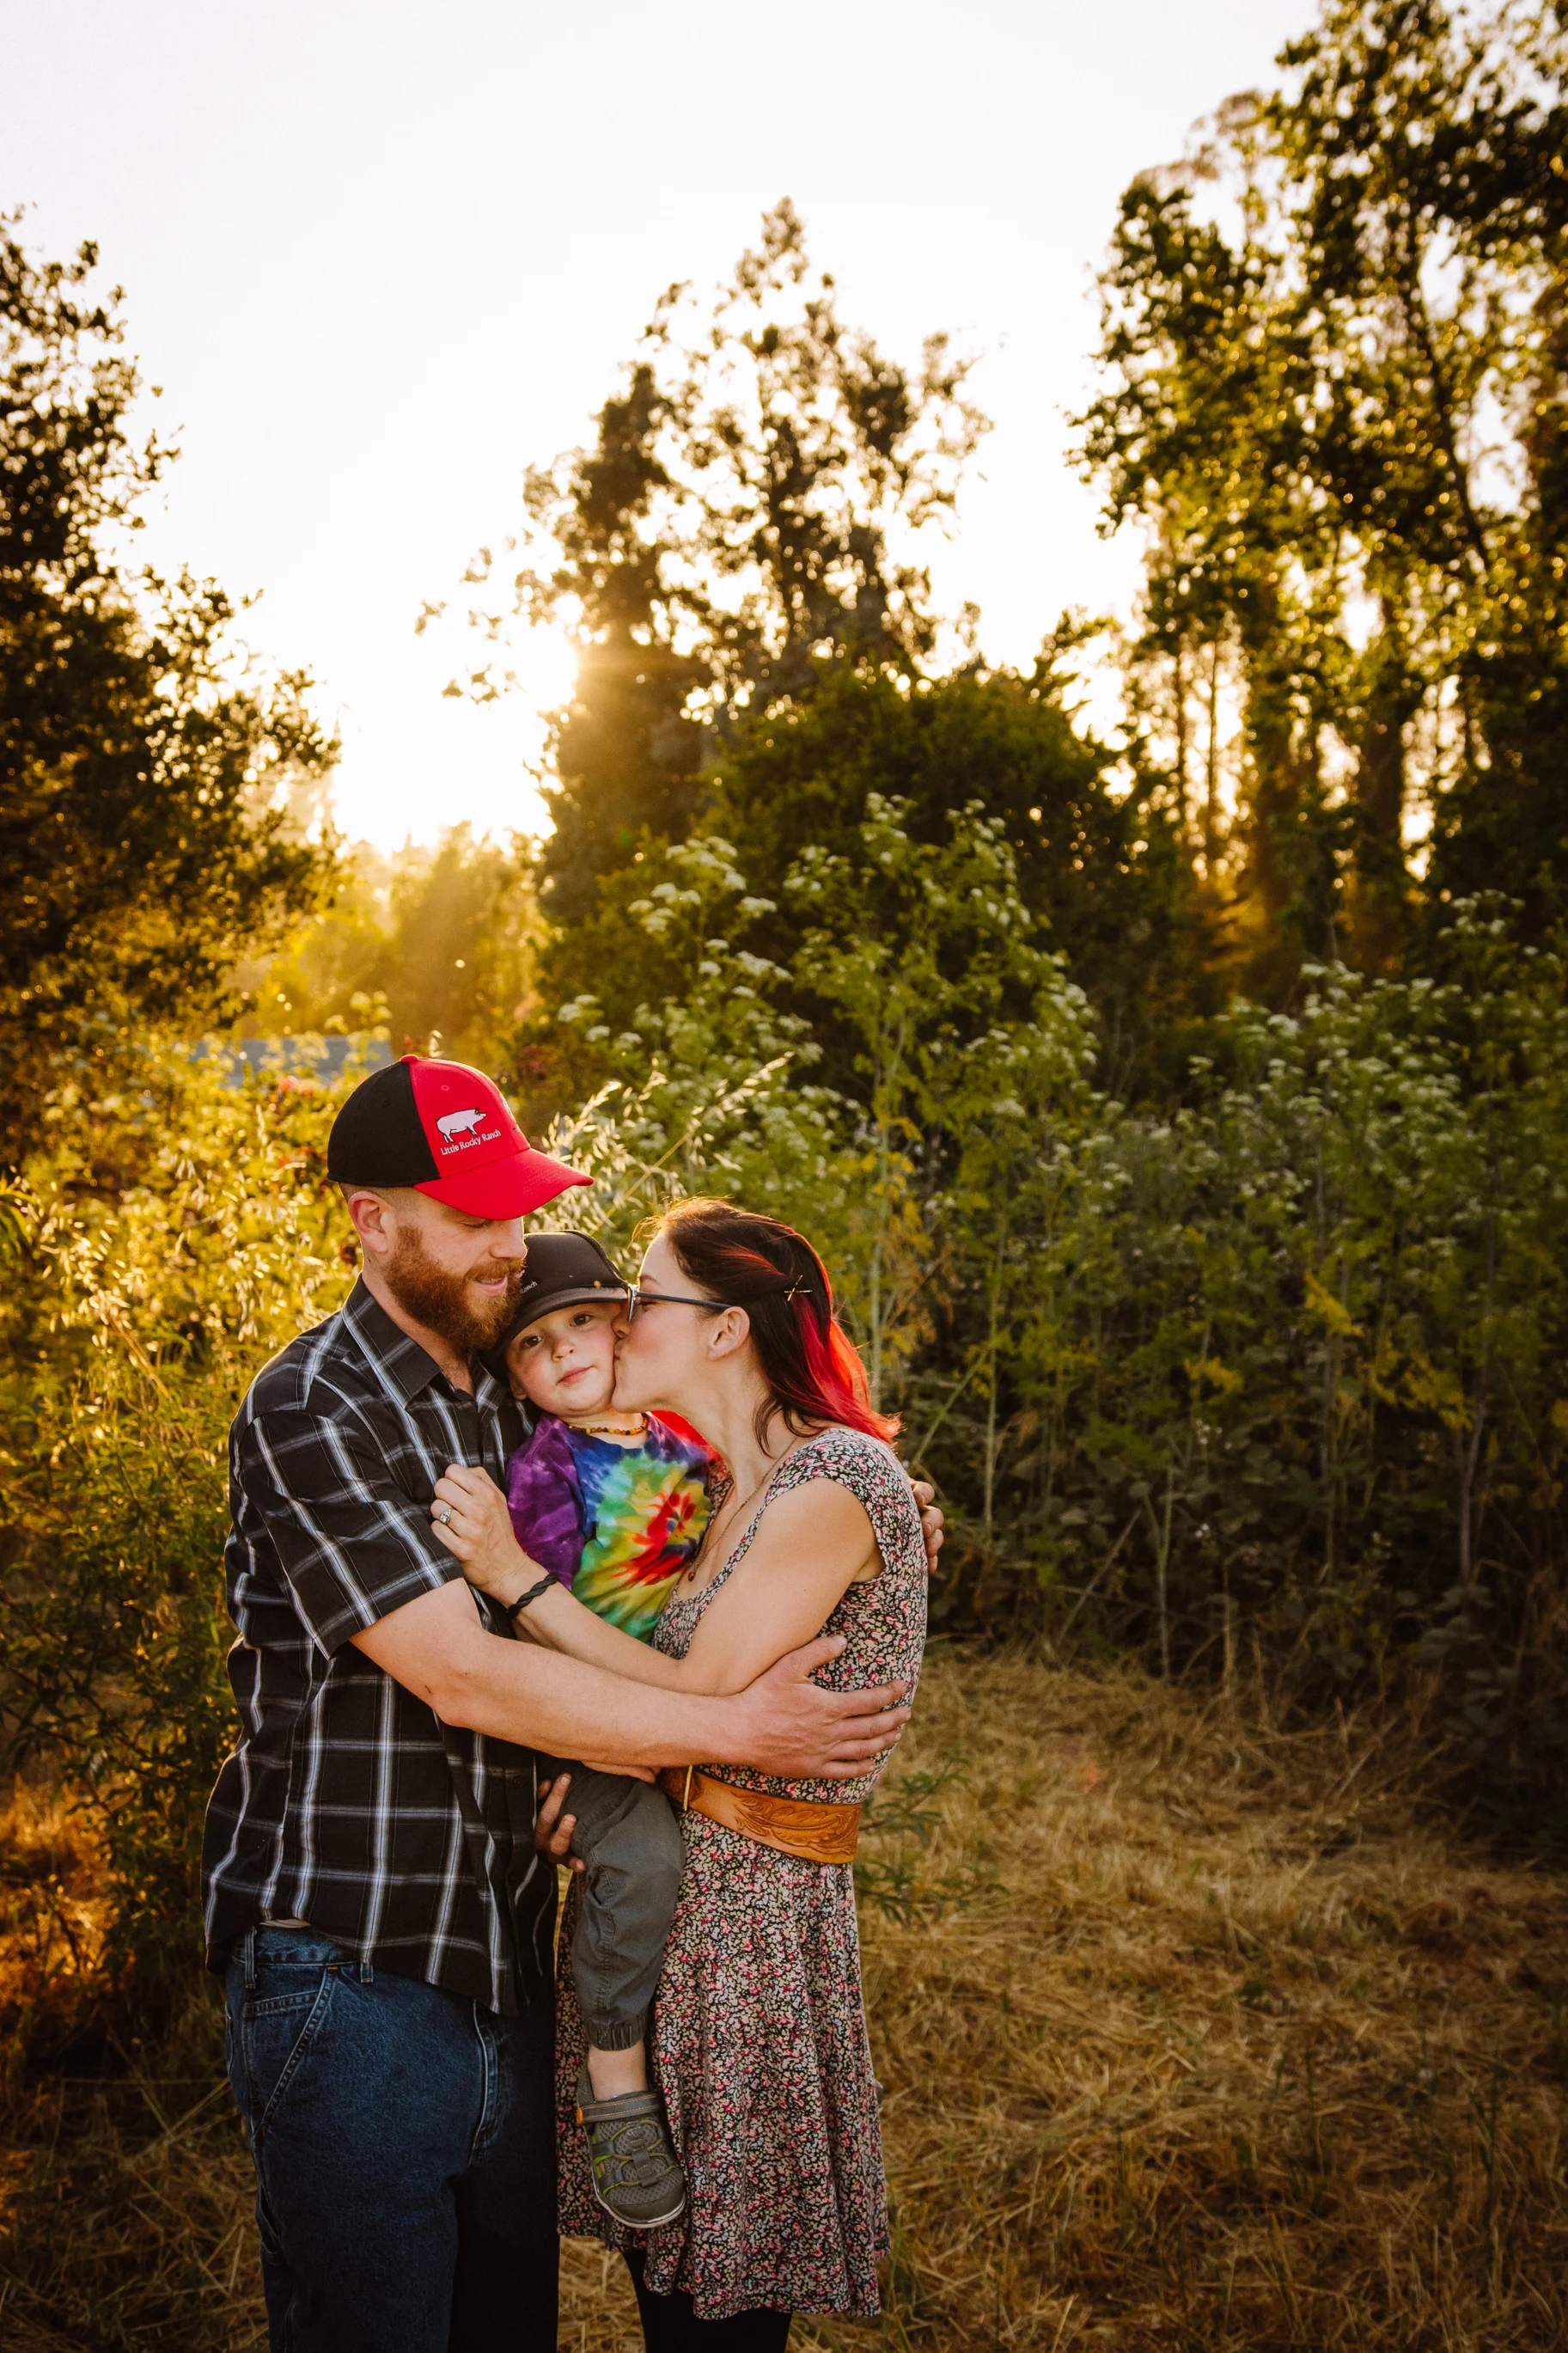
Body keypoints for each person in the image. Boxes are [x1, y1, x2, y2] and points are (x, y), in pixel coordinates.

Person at [203, 1057, 937, 2353]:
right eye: (474, 1216)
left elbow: (725, 1493)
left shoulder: (511, 1394)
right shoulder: (314, 1402)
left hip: (511, 1951)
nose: (511, 1247)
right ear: (375, 1221)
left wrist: (880, 1503)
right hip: (356, 1964)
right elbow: (461, 1671)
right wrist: (728, 1734)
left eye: (518, 1211)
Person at [434, 1196, 929, 2350]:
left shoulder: (836, 1473)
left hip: (750, 1925)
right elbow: (654, 1707)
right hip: (668, 1893)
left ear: (724, 1330)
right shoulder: (720, 1492)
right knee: (677, 2283)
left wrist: (514, 1574)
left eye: (644, 1296)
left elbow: (688, 1705)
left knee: (723, 2307)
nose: (618, 1318)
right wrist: (589, 1777)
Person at [497, 1229, 721, 2228]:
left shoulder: (688, 1445)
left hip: (679, 1709)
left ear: (625, 1324)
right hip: (577, 1720)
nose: (565, 1353)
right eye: (535, 1345)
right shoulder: (547, 1469)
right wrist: (559, 1747)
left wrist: (904, 1501)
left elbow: (779, 1513)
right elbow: (524, 1621)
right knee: (645, 1860)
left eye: (581, 1322)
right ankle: (613, 2081)